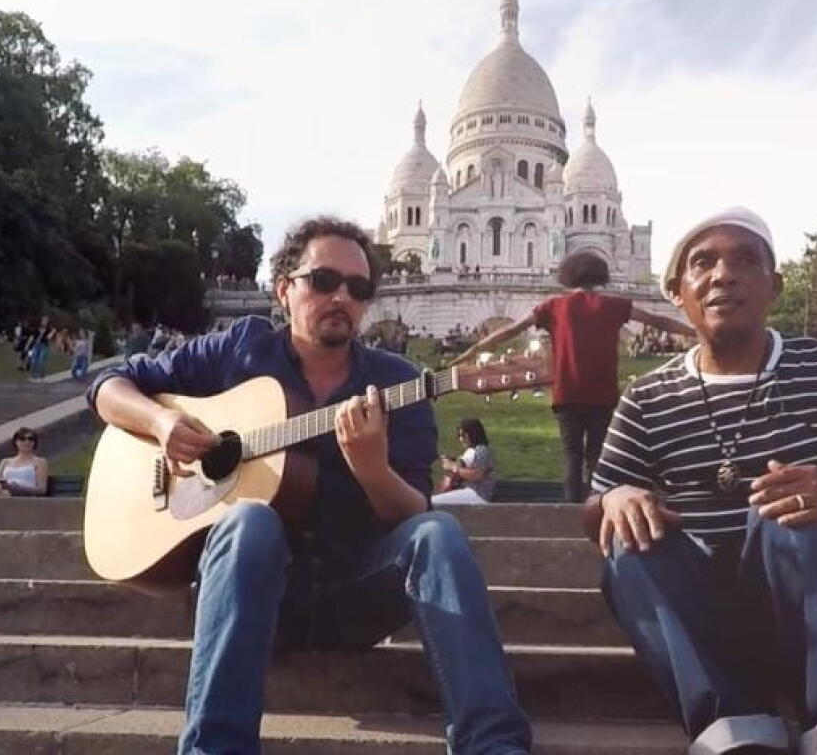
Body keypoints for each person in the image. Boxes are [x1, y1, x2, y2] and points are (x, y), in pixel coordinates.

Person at [88, 216, 530, 754]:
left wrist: (372, 469)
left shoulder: (400, 384)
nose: (342, 296)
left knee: (438, 532)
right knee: (250, 519)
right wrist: (162, 425)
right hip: (251, 597)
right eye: (324, 281)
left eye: (359, 288)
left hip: (356, 594)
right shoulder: (240, 349)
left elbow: (414, 509)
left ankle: (494, 745)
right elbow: (110, 385)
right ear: (284, 289)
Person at [584, 207, 817, 755]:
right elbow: (593, 510)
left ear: (775, 285)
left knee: (794, 517)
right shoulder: (647, 398)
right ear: (677, 291)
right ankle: (736, 734)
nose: (724, 274)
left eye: (746, 260)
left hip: (810, 603)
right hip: (699, 623)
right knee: (629, 541)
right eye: (703, 263)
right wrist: (615, 498)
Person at [450, 251, 695, 503]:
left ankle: (570, 512)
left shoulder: (554, 307)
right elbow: (658, 320)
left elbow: (511, 329)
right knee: (597, 456)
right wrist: (695, 332)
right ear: (600, 275)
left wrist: (475, 349)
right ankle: (598, 507)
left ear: (568, 276)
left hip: (567, 393)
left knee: (572, 456)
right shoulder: (614, 305)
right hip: (603, 393)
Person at [434, 418, 496, 504]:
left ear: (473, 434)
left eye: (463, 435)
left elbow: (476, 475)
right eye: (459, 436)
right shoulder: (471, 451)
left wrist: (452, 466)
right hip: (468, 492)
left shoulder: (482, 450)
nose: (461, 439)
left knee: (434, 503)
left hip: (478, 494)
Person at [0, 426, 50, 497]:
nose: (27, 442)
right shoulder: (5, 461)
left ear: (34, 442)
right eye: (22, 439)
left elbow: (42, 489)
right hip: (4, 492)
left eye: (30, 439)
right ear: (16, 442)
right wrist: (6, 486)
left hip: (25, 495)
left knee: (2, 494)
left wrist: (15, 488)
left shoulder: (40, 462)